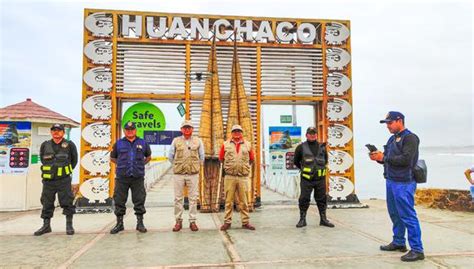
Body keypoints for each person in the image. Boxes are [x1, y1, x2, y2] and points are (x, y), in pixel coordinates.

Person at [369, 111, 425, 262]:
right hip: (391, 180)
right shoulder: (392, 139)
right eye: (386, 123)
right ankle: (399, 241)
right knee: (394, 213)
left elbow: (407, 160)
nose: (388, 126)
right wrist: (378, 158)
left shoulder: (410, 138)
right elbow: (388, 159)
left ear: (399, 121)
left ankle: (417, 250)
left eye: (390, 122)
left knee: (407, 215)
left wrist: (384, 157)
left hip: (404, 182)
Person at [34, 123, 78, 236]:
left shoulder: (69, 145)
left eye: (59, 130)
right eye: (54, 130)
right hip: (48, 181)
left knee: (67, 202)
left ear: (63, 132)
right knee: (46, 202)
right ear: (51, 132)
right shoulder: (45, 145)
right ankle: (46, 225)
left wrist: (62, 171)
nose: (56, 132)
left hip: (64, 180)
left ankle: (69, 225)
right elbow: (43, 160)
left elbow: (74, 161)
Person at [109, 121, 151, 234]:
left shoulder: (143, 143)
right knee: (119, 200)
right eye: (127, 130)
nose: (130, 131)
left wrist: (140, 164)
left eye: (132, 129)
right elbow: (113, 158)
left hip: (137, 176)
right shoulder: (118, 143)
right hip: (122, 177)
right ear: (124, 131)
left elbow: (148, 156)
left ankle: (140, 223)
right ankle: (119, 223)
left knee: (139, 199)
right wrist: (122, 164)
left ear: (135, 130)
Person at [293, 126, 335, 228]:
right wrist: (305, 169)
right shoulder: (300, 147)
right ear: (306, 135)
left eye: (314, 133)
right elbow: (296, 161)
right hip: (306, 179)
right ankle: (302, 219)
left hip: (320, 179)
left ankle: (323, 219)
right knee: (304, 198)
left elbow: (325, 160)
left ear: (316, 135)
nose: (312, 135)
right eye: (310, 133)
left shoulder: (322, 147)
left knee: (322, 199)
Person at [168, 120, 205, 232]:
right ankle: (178, 221)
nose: (187, 129)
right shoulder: (176, 141)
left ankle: (192, 221)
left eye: (189, 128)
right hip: (179, 174)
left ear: (192, 129)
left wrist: (195, 167)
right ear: (181, 129)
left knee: (193, 199)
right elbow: (170, 156)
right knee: (178, 199)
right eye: (185, 128)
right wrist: (178, 165)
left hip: (193, 174)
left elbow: (202, 157)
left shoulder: (198, 141)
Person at [219, 125, 256, 231]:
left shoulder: (248, 145)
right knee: (228, 201)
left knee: (244, 201)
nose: (237, 133)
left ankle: (245, 222)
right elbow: (221, 158)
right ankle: (227, 222)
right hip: (229, 177)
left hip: (243, 177)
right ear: (231, 133)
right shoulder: (225, 144)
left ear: (242, 133)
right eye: (234, 131)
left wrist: (242, 168)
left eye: (239, 131)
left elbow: (251, 159)